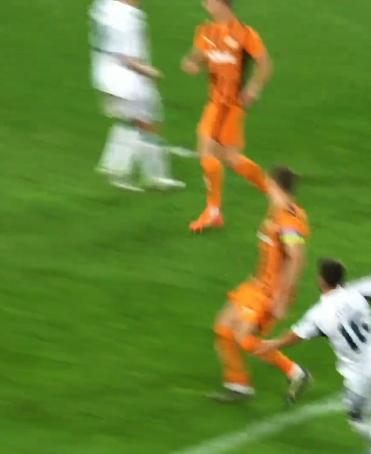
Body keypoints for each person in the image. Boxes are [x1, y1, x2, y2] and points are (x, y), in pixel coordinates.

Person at [256, 230, 371, 453]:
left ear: (321, 281)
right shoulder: (358, 292)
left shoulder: (318, 314)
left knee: (357, 418)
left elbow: (296, 336)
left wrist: (272, 344)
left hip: (363, 375)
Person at [210, 166, 311, 402]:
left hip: (270, 292)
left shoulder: (288, 220)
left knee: (244, 338)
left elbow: (297, 258)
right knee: (224, 328)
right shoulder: (278, 211)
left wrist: (282, 298)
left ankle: (296, 373)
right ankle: (238, 384)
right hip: (258, 286)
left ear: (275, 185)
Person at [181, 0, 273, 232]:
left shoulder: (245, 34)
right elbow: (197, 57)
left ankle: (214, 212)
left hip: (231, 105)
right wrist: (192, 63)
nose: (205, 4)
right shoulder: (206, 31)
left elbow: (265, 65)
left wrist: (253, 89)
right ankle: (272, 193)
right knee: (229, 157)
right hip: (215, 102)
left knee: (209, 151)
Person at [89, 0, 185, 191]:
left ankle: (118, 169)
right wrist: (149, 71)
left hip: (105, 73)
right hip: (128, 79)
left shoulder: (105, 6)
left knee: (134, 122)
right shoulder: (127, 18)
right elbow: (128, 57)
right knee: (146, 122)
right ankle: (150, 176)